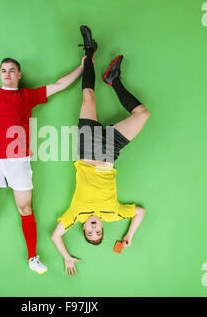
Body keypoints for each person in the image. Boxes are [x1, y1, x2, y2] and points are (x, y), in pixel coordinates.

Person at [0, 56, 85, 274]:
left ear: (19, 74)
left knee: (25, 209)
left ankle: (33, 258)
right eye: (4, 70)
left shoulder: (27, 96)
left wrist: (81, 68)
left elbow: (58, 85)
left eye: (12, 70)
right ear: (0, 74)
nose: (7, 74)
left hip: (18, 161)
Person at [51, 26, 150, 276]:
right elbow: (140, 212)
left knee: (88, 96)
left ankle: (89, 51)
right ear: (104, 228)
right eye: (99, 232)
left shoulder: (75, 214)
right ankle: (114, 81)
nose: (94, 229)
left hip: (87, 149)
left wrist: (66, 257)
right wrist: (128, 236)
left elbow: (55, 236)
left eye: (90, 232)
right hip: (109, 152)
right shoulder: (115, 213)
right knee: (143, 114)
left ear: (83, 228)